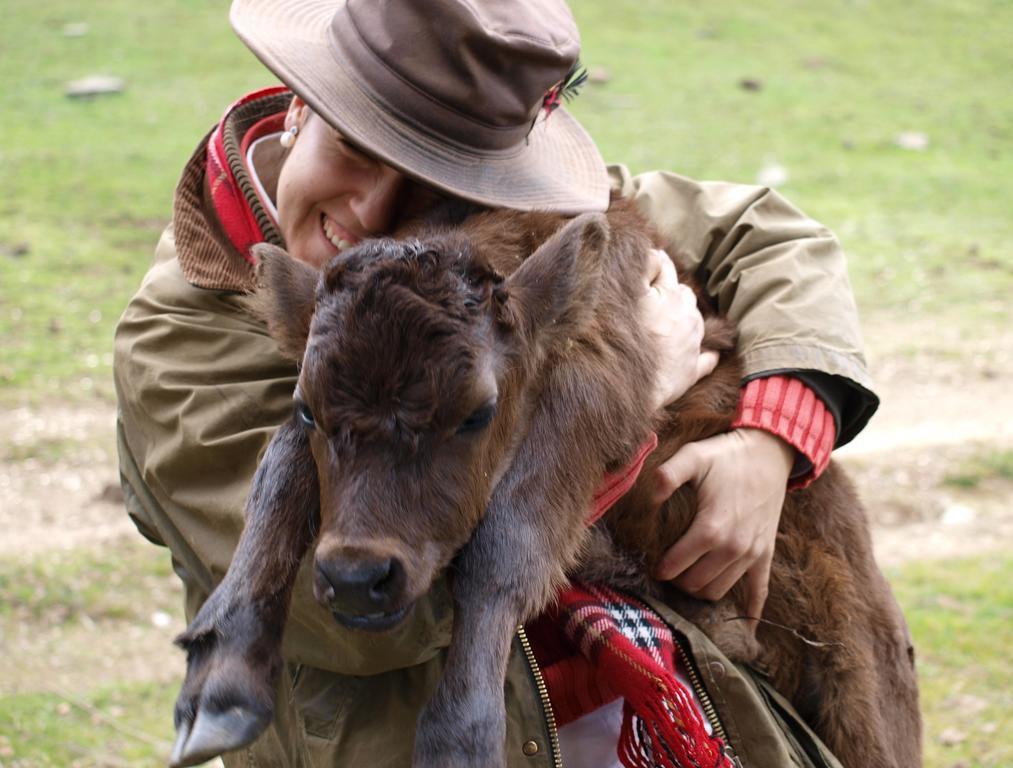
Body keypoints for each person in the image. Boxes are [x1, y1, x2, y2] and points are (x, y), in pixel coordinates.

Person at [113, 0, 878, 765]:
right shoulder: (181, 346)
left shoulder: (480, 209)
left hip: (633, 693)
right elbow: (349, 617)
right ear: (296, 109)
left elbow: (769, 234)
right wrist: (621, 410)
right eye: (353, 149)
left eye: (424, 178)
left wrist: (772, 438)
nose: (374, 211)